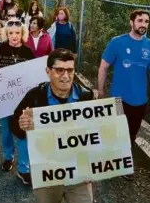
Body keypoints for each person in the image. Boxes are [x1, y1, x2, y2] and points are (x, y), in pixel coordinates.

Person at [12, 48, 94, 201]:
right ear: (48, 71)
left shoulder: (86, 96)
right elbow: (14, 125)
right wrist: (23, 125)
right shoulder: (35, 96)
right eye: (59, 70)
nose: (65, 76)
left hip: (78, 172)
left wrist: (96, 167)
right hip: (47, 172)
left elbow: (96, 133)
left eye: (70, 70)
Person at [98, 9, 150, 179]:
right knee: (117, 131)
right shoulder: (117, 42)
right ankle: (120, 164)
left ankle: (122, 160)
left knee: (132, 133)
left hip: (140, 100)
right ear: (131, 22)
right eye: (140, 20)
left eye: (146, 21)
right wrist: (101, 91)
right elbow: (103, 67)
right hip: (118, 98)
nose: (143, 24)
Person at [0, 18, 35, 185]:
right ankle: (8, 157)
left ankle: (24, 168)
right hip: (4, 101)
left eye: (17, 33)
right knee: (6, 131)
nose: (14, 36)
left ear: (22, 34)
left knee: (23, 132)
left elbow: (34, 77)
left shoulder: (28, 52)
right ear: (6, 34)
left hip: (23, 102)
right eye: (10, 33)